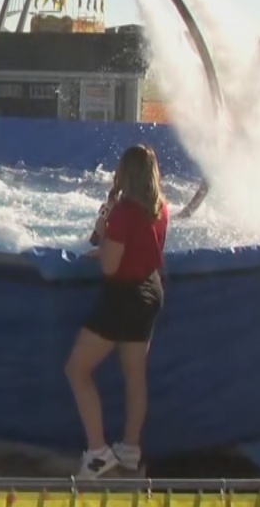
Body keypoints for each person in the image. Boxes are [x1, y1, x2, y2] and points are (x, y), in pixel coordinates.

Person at [67, 144, 168, 479]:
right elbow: (140, 250)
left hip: (122, 298)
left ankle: (97, 453)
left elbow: (110, 266)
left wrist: (106, 230)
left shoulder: (124, 213)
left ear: (125, 173)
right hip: (150, 291)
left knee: (77, 370)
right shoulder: (160, 208)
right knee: (134, 377)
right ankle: (129, 447)